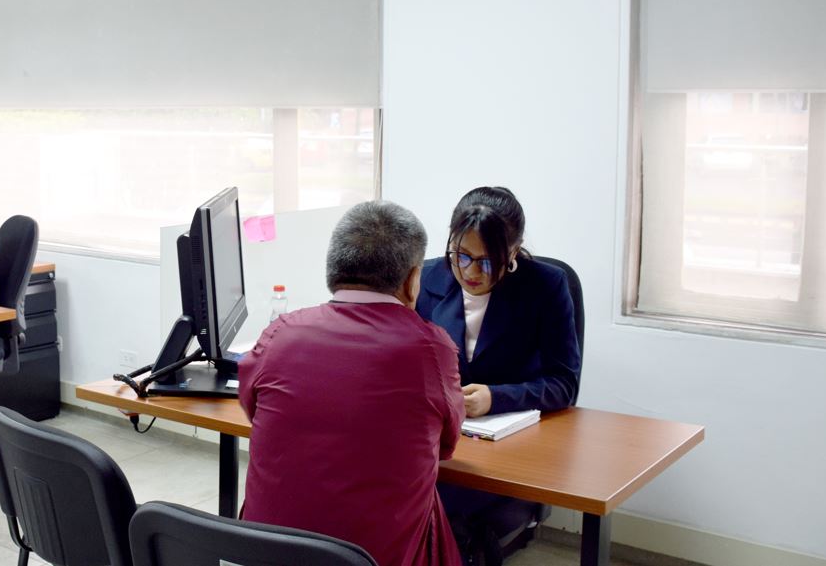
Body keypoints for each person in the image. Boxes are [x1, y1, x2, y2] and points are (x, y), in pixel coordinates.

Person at [239, 200, 464, 566]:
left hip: (266, 555)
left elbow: (253, 410)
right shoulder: (431, 348)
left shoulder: (280, 333)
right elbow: (446, 445)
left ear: (333, 268)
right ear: (412, 281)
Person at [414, 186, 581, 565]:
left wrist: (496, 397)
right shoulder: (424, 278)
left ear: (514, 251)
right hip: (436, 439)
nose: (471, 272)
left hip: (506, 447)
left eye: (487, 262)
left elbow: (564, 383)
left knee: (444, 515)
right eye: (461, 255)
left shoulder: (545, 287)